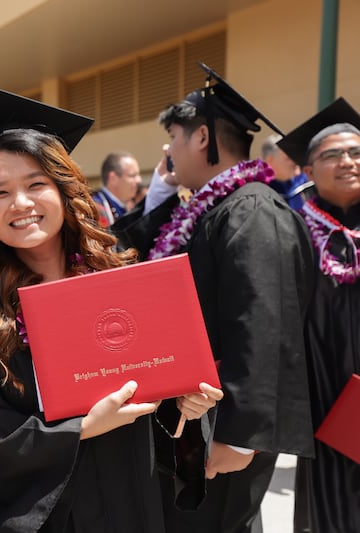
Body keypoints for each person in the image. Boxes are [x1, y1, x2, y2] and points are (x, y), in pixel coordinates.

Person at [0, 87, 222, 532]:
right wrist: (77, 430)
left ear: (64, 191)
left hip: (129, 497)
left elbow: (155, 389)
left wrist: (185, 406)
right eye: (0, 192)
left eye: (36, 185)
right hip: (45, 515)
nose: (21, 204)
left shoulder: (118, 274)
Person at [113, 64, 315, 533]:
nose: (168, 152)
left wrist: (239, 438)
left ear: (202, 137)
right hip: (196, 417)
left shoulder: (252, 209)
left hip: (222, 425)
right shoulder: (212, 208)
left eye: (175, 138)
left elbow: (263, 323)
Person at [276, 97, 360, 533]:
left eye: (356, 152)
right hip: (325, 403)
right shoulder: (289, 230)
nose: (347, 161)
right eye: (332, 155)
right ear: (307, 171)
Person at [261, 133, 313, 210]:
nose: (296, 160)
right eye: (289, 157)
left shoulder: (307, 183)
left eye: (295, 155)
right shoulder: (260, 192)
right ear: (270, 160)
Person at [91, 151, 142, 226]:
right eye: (132, 175)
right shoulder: (95, 210)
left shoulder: (128, 207)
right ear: (113, 178)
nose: (139, 180)